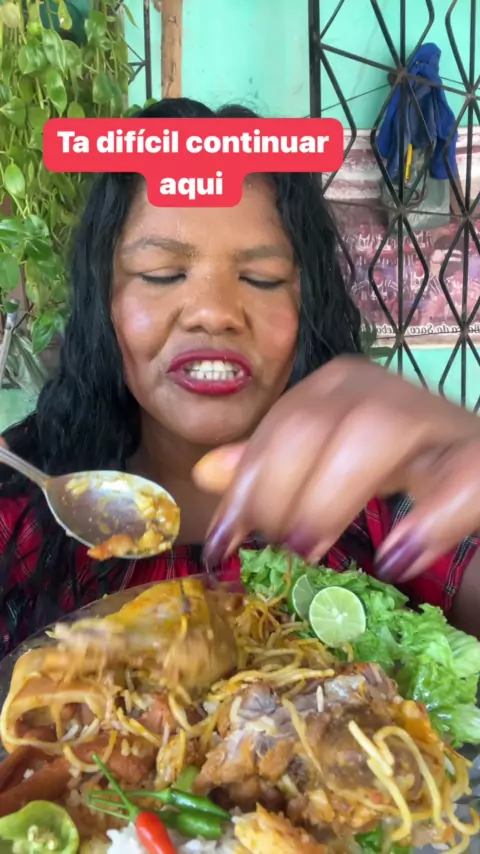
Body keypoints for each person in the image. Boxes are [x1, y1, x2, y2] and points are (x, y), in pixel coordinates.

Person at [0, 98, 479, 659]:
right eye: (162, 274)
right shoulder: (19, 503)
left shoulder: (380, 493)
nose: (214, 312)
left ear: (308, 303)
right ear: (104, 301)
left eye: (262, 278)